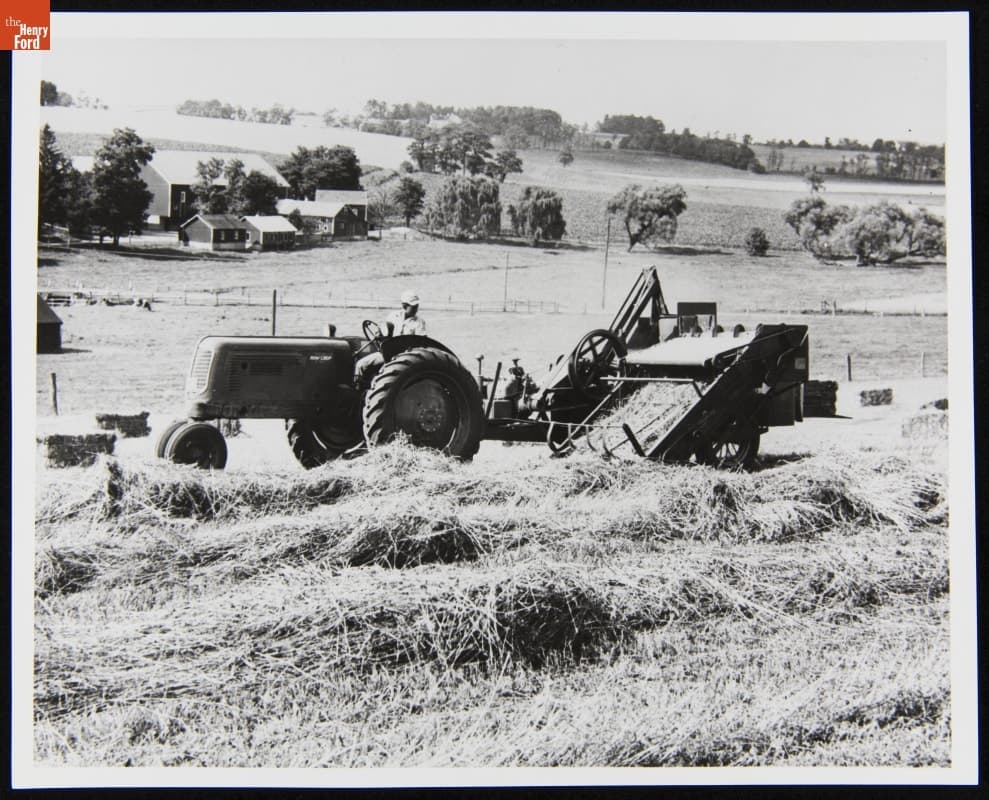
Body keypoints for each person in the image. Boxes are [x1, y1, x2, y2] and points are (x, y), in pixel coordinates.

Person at [354, 291, 426, 389]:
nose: (416, 309)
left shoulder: (419, 323)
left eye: (416, 306)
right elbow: (383, 331)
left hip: (403, 355)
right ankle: (357, 389)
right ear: (404, 306)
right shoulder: (393, 316)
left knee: (380, 377)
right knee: (360, 364)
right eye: (413, 306)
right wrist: (379, 334)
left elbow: (421, 342)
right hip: (387, 352)